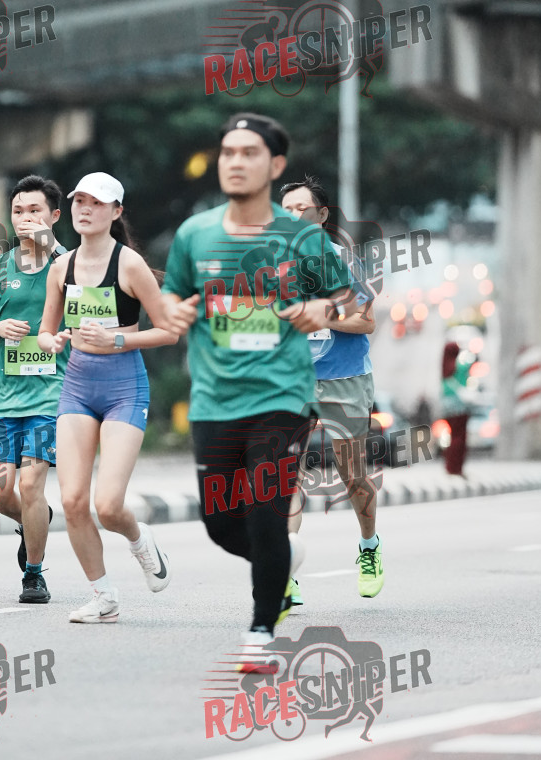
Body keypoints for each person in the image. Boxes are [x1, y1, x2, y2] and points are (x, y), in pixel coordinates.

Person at [160, 114, 354, 670]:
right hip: (214, 399)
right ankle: (281, 560)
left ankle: (261, 631)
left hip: (281, 397)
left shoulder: (302, 238)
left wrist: (324, 308)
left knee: (267, 512)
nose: (236, 162)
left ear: (275, 165)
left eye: (249, 152)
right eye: (228, 152)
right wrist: (174, 310)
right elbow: (171, 295)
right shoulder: (195, 234)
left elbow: (350, 298)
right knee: (221, 524)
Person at [37, 172, 178, 624]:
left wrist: (117, 340)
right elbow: (45, 330)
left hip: (124, 388)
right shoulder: (61, 268)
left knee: (109, 505)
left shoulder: (130, 265)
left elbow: (169, 331)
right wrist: (52, 341)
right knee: (73, 502)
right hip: (77, 388)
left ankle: (140, 541)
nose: (85, 209)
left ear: (116, 212)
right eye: (79, 200)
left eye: (96, 203)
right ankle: (103, 597)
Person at [0, 174, 69, 605]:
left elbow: (91, 292)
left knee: (31, 485)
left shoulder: (68, 264)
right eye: (18, 211)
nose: (25, 218)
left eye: (34, 210)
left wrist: (49, 244)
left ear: (54, 215)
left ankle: (34, 574)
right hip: (2, 400)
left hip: (49, 396)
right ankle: (36, 520)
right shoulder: (0, 267)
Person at [280, 177, 383, 602]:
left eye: (301, 209)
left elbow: (366, 321)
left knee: (352, 474)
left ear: (322, 216)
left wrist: (322, 316)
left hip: (345, 377)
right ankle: (285, 571)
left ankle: (369, 546)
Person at [440, 341, 472, 477]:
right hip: (460, 408)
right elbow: (468, 366)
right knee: (459, 438)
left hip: (447, 408)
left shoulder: (444, 367)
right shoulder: (458, 366)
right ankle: (456, 467)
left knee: (453, 437)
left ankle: (450, 466)